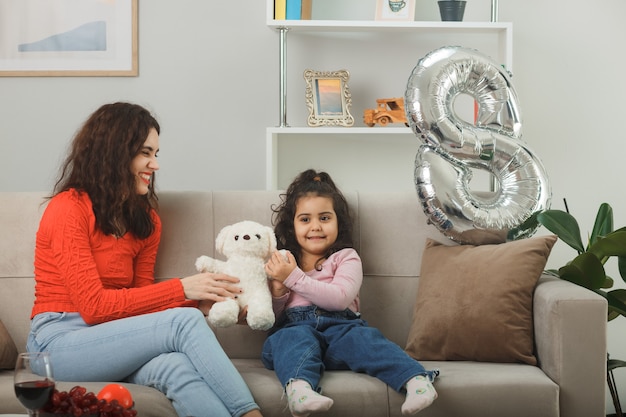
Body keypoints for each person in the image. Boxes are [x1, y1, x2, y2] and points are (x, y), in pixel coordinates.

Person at [27, 102, 263, 417]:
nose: (155, 164)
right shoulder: (68, 208)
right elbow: (94, 308)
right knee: (184, 322)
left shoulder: (147, 222)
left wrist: (202, 304)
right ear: (114, 154)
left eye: (156, 154)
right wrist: (183, 291)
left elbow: (139, 306)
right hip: (57, 343)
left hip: (114, 339)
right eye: (145, 153)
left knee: (175, 367)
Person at [262, 169, 439, 417]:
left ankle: (416, 381)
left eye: (324, 218)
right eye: (305, 219)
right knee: (290, 339)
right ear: (291, 225)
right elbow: (270, 318)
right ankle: (300, 391)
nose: (315, 227)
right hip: (294, 331)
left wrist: (293, 278)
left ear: (338, 222)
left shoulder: (346, 257)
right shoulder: (284, 260)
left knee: (367, 340)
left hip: (340, 330)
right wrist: (279, 291)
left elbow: (339, 299)